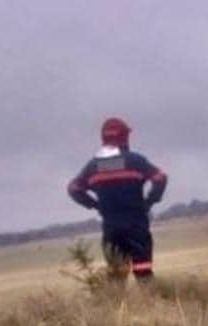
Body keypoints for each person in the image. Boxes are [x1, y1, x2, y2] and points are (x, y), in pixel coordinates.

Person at [68, 117, 167, 282]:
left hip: (111, 229)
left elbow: (73, 188)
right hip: (137, 227)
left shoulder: (94, 166)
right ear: (124, 137)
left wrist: (95, 205)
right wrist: (149, 201)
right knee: (144, 273)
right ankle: (150, 306)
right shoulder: (135, 161)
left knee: (116, 278)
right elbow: (160, 178)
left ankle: (115, 307)